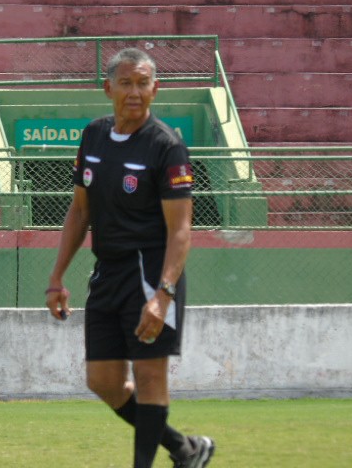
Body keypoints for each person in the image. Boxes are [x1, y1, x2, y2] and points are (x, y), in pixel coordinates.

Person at [45, 47, 215, 468]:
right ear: (109, 89)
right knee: (102, 380)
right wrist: (56, 277)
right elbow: (80, 211)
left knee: (150, 378)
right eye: (126, 83)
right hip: (107, 272)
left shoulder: (166, 145)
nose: (135, 92)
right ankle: (185, 448)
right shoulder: (94, 135)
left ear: (156, 89)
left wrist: (163, 294)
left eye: (143, 83)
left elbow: (181, 230)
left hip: (151, 273)